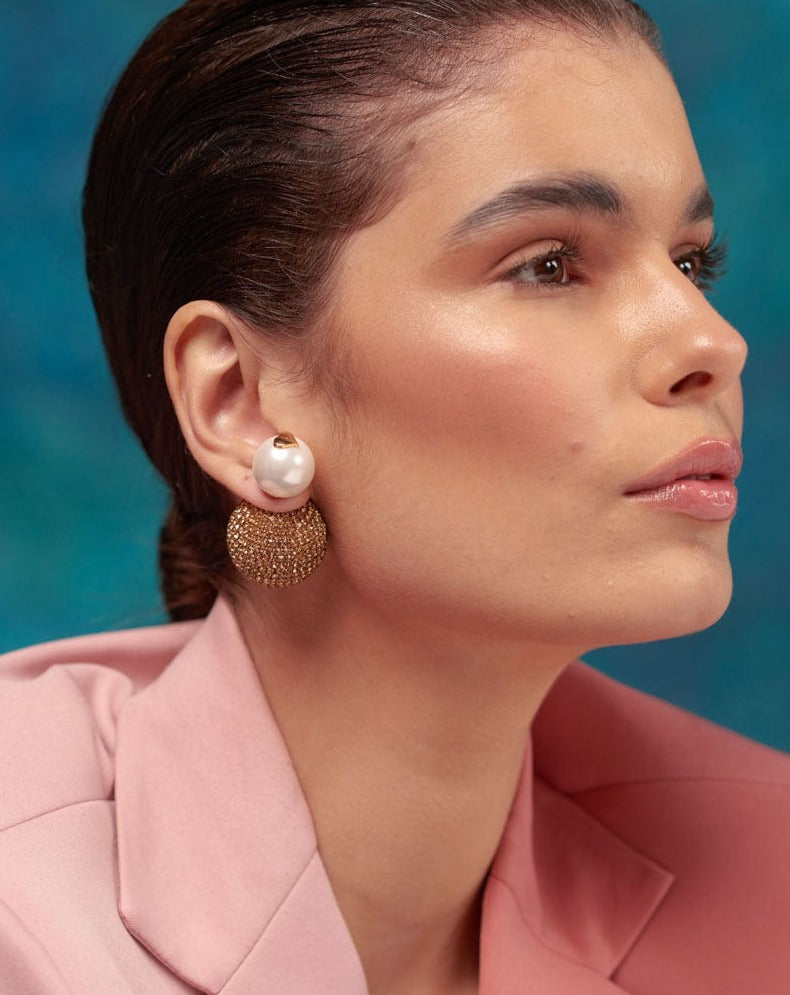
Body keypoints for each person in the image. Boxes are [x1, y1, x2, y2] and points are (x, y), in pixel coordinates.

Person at [1, 1, 788, 992]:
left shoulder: (764, 870)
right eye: (549, 266)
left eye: (689, 262)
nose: (715, 343)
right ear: (238, 398)